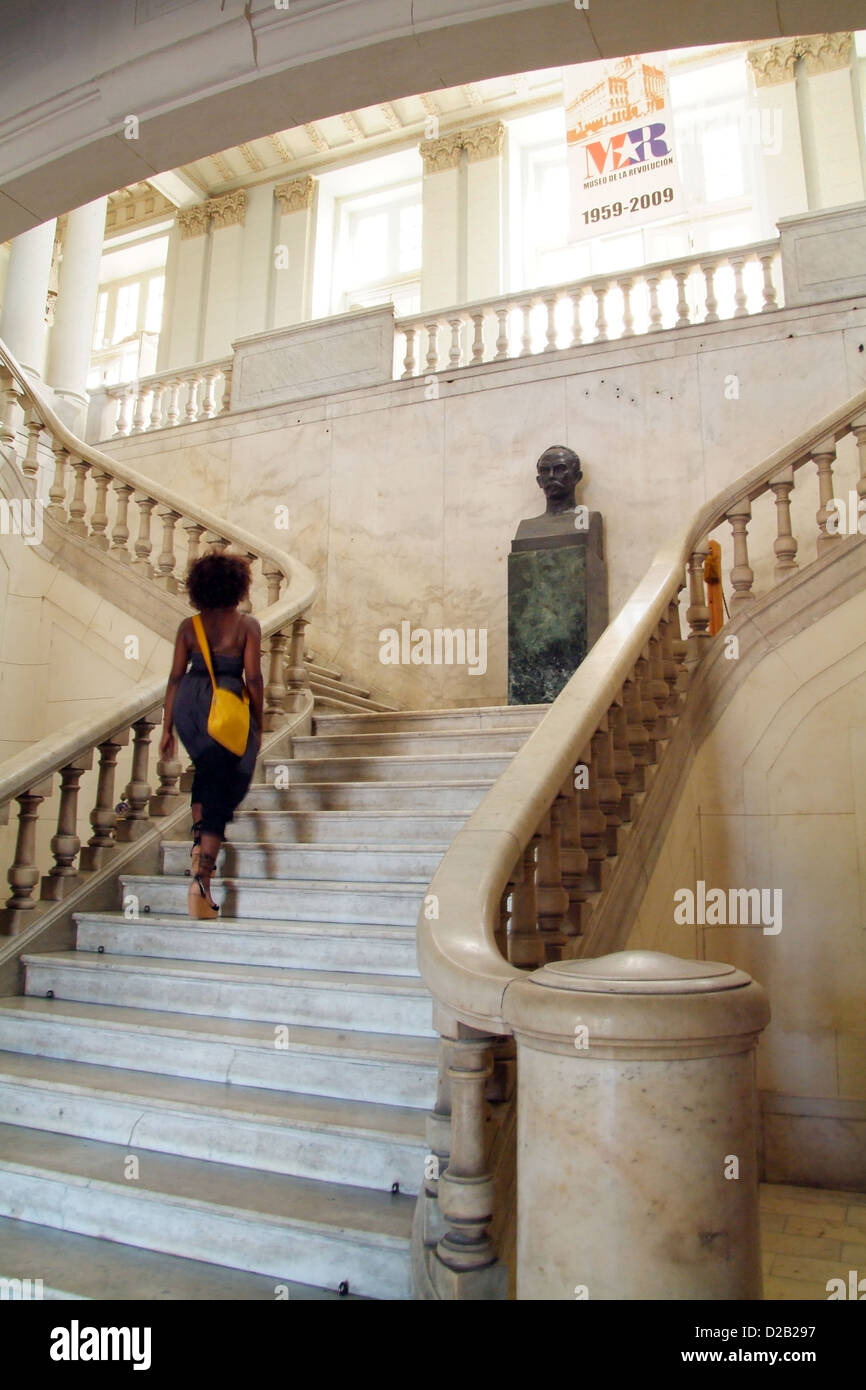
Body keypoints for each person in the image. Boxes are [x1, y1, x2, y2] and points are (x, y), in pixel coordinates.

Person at [160, 552, 264, 918]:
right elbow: (253, 677)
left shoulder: (189, 626)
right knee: (224, 785)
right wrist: (258, 719)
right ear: (238, 584)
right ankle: (201, 882)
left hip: (191, 704)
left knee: (206, 772)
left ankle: (196, 842)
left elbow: (174, 677)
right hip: (226, 707)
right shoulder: (247, 625)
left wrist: (167, 726)